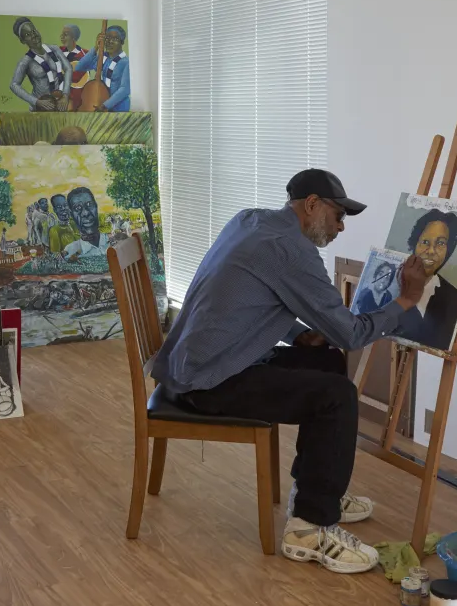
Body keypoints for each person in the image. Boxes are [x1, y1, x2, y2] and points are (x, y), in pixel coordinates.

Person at [150, 168, 429, 575]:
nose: (340, 226)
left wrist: (299, 335)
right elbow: (351, 334)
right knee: (338, 397)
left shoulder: (250, 220)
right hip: (209, 380)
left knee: (327, 360)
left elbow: (249, 298)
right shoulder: (291, 251)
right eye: (337, 215)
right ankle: (309, 530)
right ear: (312, 205)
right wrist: (406, 300)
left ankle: (314, 492)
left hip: (194, 361)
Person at [397, 209, 457, 350]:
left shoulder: (454, 297)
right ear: (414, 244)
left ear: (449, 249)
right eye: (425, 242)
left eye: (440, 243)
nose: (431, 251)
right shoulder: (392, 283)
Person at [7, 17, 72, 111]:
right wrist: (36, 101)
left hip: (59, 103)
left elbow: (68, 68)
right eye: (28, 34)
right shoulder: (26, 61)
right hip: (40, 107)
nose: (34, 36)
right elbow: (14, 85)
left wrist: (65, 94)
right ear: (23, 40)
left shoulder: (54, 49)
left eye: (34, 31)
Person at [72, 26, 130, 111]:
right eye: (107, 38)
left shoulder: (126, 62)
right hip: (100, 104)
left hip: (119, 107)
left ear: (122, 42)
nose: (110, 42)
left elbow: (125, 89)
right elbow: (80, 67)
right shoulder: (102, 58)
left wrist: (105, 105)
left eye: (115, 39)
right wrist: (96, 47)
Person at [59, 186, 106, 260]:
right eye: (77, 208)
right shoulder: (70, 251)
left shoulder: (114, 243)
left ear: (96, 207)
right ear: (72, 215)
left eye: (89, 205)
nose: (85, 213)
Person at [59, 24, 89, 108]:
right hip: (59, 95)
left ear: (73, 37)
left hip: (77, 96)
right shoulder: (57, 52)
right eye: (62, 34)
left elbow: (78, 77)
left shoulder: (85, 54)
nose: (62, 37)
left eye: (66, 34)